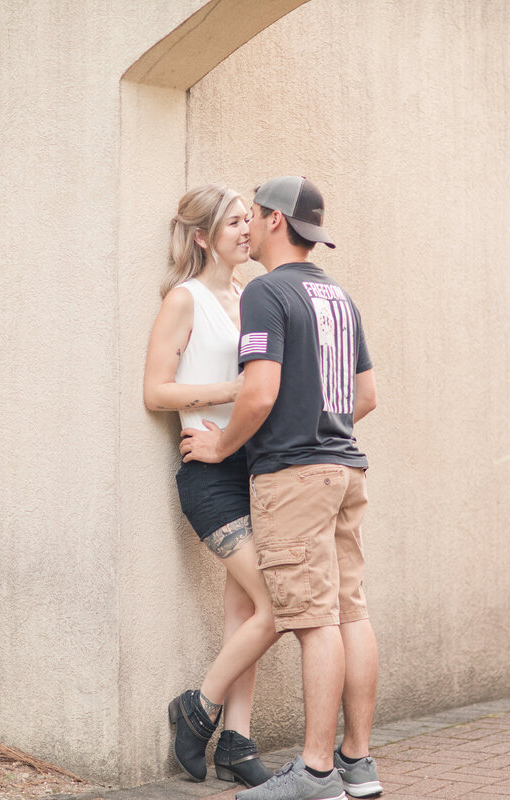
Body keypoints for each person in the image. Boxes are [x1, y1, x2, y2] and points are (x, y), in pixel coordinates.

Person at [180, 176, 381, 800]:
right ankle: (357, 763)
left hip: (294, 476)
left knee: (311, 619)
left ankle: (316, 772)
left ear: (273, 221)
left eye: (255, 215)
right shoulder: (337, 296)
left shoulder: (267, 292)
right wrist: (319, 426)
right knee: (351, 611)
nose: (250, 227)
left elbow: (260, 392)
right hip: (346, 468)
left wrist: (222, 445)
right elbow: (366, 396)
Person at [143, 185, 282, 788]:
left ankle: (237, 742)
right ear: (203, 236)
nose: (247, 231)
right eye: (233, 223)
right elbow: (156, 391)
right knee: (278, 604)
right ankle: (198, 707)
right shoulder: (185, 299)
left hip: (254, 468)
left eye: (249, 220)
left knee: (247, 610)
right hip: (209, 473)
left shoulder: (252, 296)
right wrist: (232, 393)